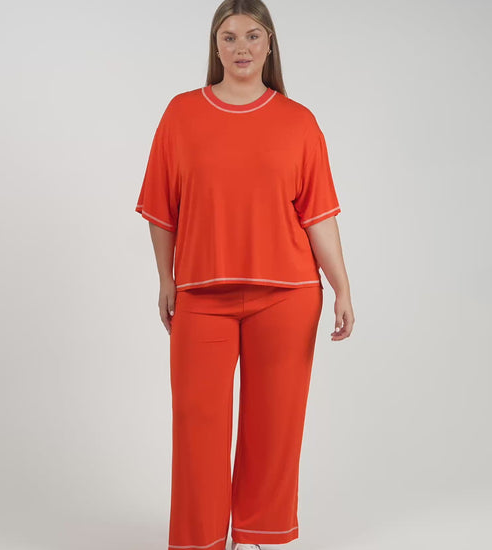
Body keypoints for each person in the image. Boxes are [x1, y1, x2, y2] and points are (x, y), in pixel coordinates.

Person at [134, 1, 355, 549]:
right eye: (229, 37)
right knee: (197, 424)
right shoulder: (181, 114)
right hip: (201, 294)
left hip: (288, 295)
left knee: (274, 426)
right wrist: (166, 279)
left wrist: (342, 287)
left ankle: (259, 536)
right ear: (215, 46)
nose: (241, 48)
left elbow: (318, 216)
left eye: (253, 36)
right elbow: (161, 209)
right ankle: (201, 540)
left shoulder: (299, 121)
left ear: (270, 44)